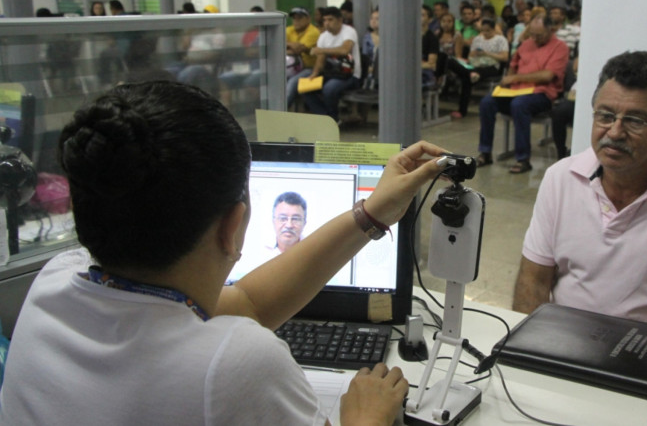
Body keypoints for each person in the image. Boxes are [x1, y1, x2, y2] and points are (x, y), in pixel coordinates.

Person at [0, 81, 451, 425]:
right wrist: (366, 419)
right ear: (233, 226)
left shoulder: (55, 282)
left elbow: (248, 304)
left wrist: (372, 214)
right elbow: (242, 323)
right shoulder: (236, 367)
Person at [513, 51, 647, 330]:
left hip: (639, 361)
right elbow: (534, 280)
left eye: (635, 121)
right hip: (560, 342)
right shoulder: (561, 178)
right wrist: (527, 353)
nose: (614, 132)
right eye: (605, 115)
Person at [476, 15, 569, 173]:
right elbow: (513, 65)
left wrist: (516, 77)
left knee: (519, 105)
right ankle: (485, 152)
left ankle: (523, 158)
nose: (535, 38)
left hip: (542, 94)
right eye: (532, 34)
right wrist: (510, 79)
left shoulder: (560, 47)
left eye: (539, 35)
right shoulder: (526, 44)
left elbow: (547, 75)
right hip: (516, 91)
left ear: (550, 30)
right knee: (487, 102)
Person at [303, 6, 361, 123]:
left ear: (339, 20)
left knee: (329, 89)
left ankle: (333, 119)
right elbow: (320, 59)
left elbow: (345, 50)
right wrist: (314, 74)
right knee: (305, 88)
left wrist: (322, 50)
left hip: (350, 75)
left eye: (330, 20)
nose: (327, 23)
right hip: (330, 74)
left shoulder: (349, 31)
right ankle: (326, 118)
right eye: (325, 20)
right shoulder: (323, 36)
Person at [447, 18, 508, 119]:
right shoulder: (477, 39)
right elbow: (470, 56)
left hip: (491, 66)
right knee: (451, 62)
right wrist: (474, 54)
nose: (485, 33)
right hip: (475, 64)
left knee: (466, 79)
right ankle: (470, 73)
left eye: (488, 31)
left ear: (493, 29)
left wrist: (487, 53)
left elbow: (504, 57)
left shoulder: (501, 40)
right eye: (483, 30)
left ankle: (462, 110)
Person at [284, 6, 321, 109]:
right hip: (290, 66)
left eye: (299, 18)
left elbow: (299, 49)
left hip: (310, 69)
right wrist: (292, 46)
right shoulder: (289, 30)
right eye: (294, 18)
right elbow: (277, 46)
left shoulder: (313, 32)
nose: (296, 21)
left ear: (308, 19)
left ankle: (279, 114)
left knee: (292, 83)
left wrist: (286, 45)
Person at [421, 5, 440, 88]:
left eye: (422, 15)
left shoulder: (432, 38)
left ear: (429, 19)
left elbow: (431, 64)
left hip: (424, 73)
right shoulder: (410, 36)